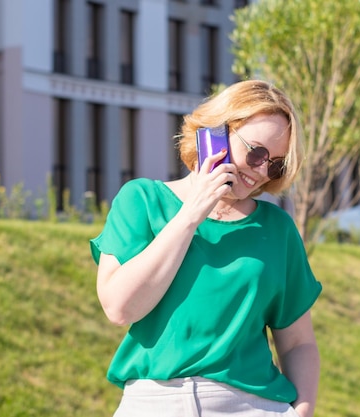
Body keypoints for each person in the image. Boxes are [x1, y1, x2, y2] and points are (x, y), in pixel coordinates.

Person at [90, 79, 322, 417]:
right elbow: (120, 308)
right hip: (155, 403)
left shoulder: (277, 229)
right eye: (256, 152)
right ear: (216, 132)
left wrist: (301, 412)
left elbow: (298, 342)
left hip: (253, 406)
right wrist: (192, 214)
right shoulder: (142, 200)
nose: (261, 172)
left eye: (275, 164)